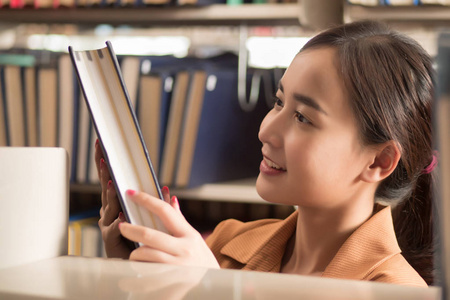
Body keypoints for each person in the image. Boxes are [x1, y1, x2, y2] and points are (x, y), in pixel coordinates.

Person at [95, 20, 436, 287]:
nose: (265, 131)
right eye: (279, 101)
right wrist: (130, 269)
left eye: (303, 117)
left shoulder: (398, 291)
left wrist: (210, 290)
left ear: (379, 161)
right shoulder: (227, 244)